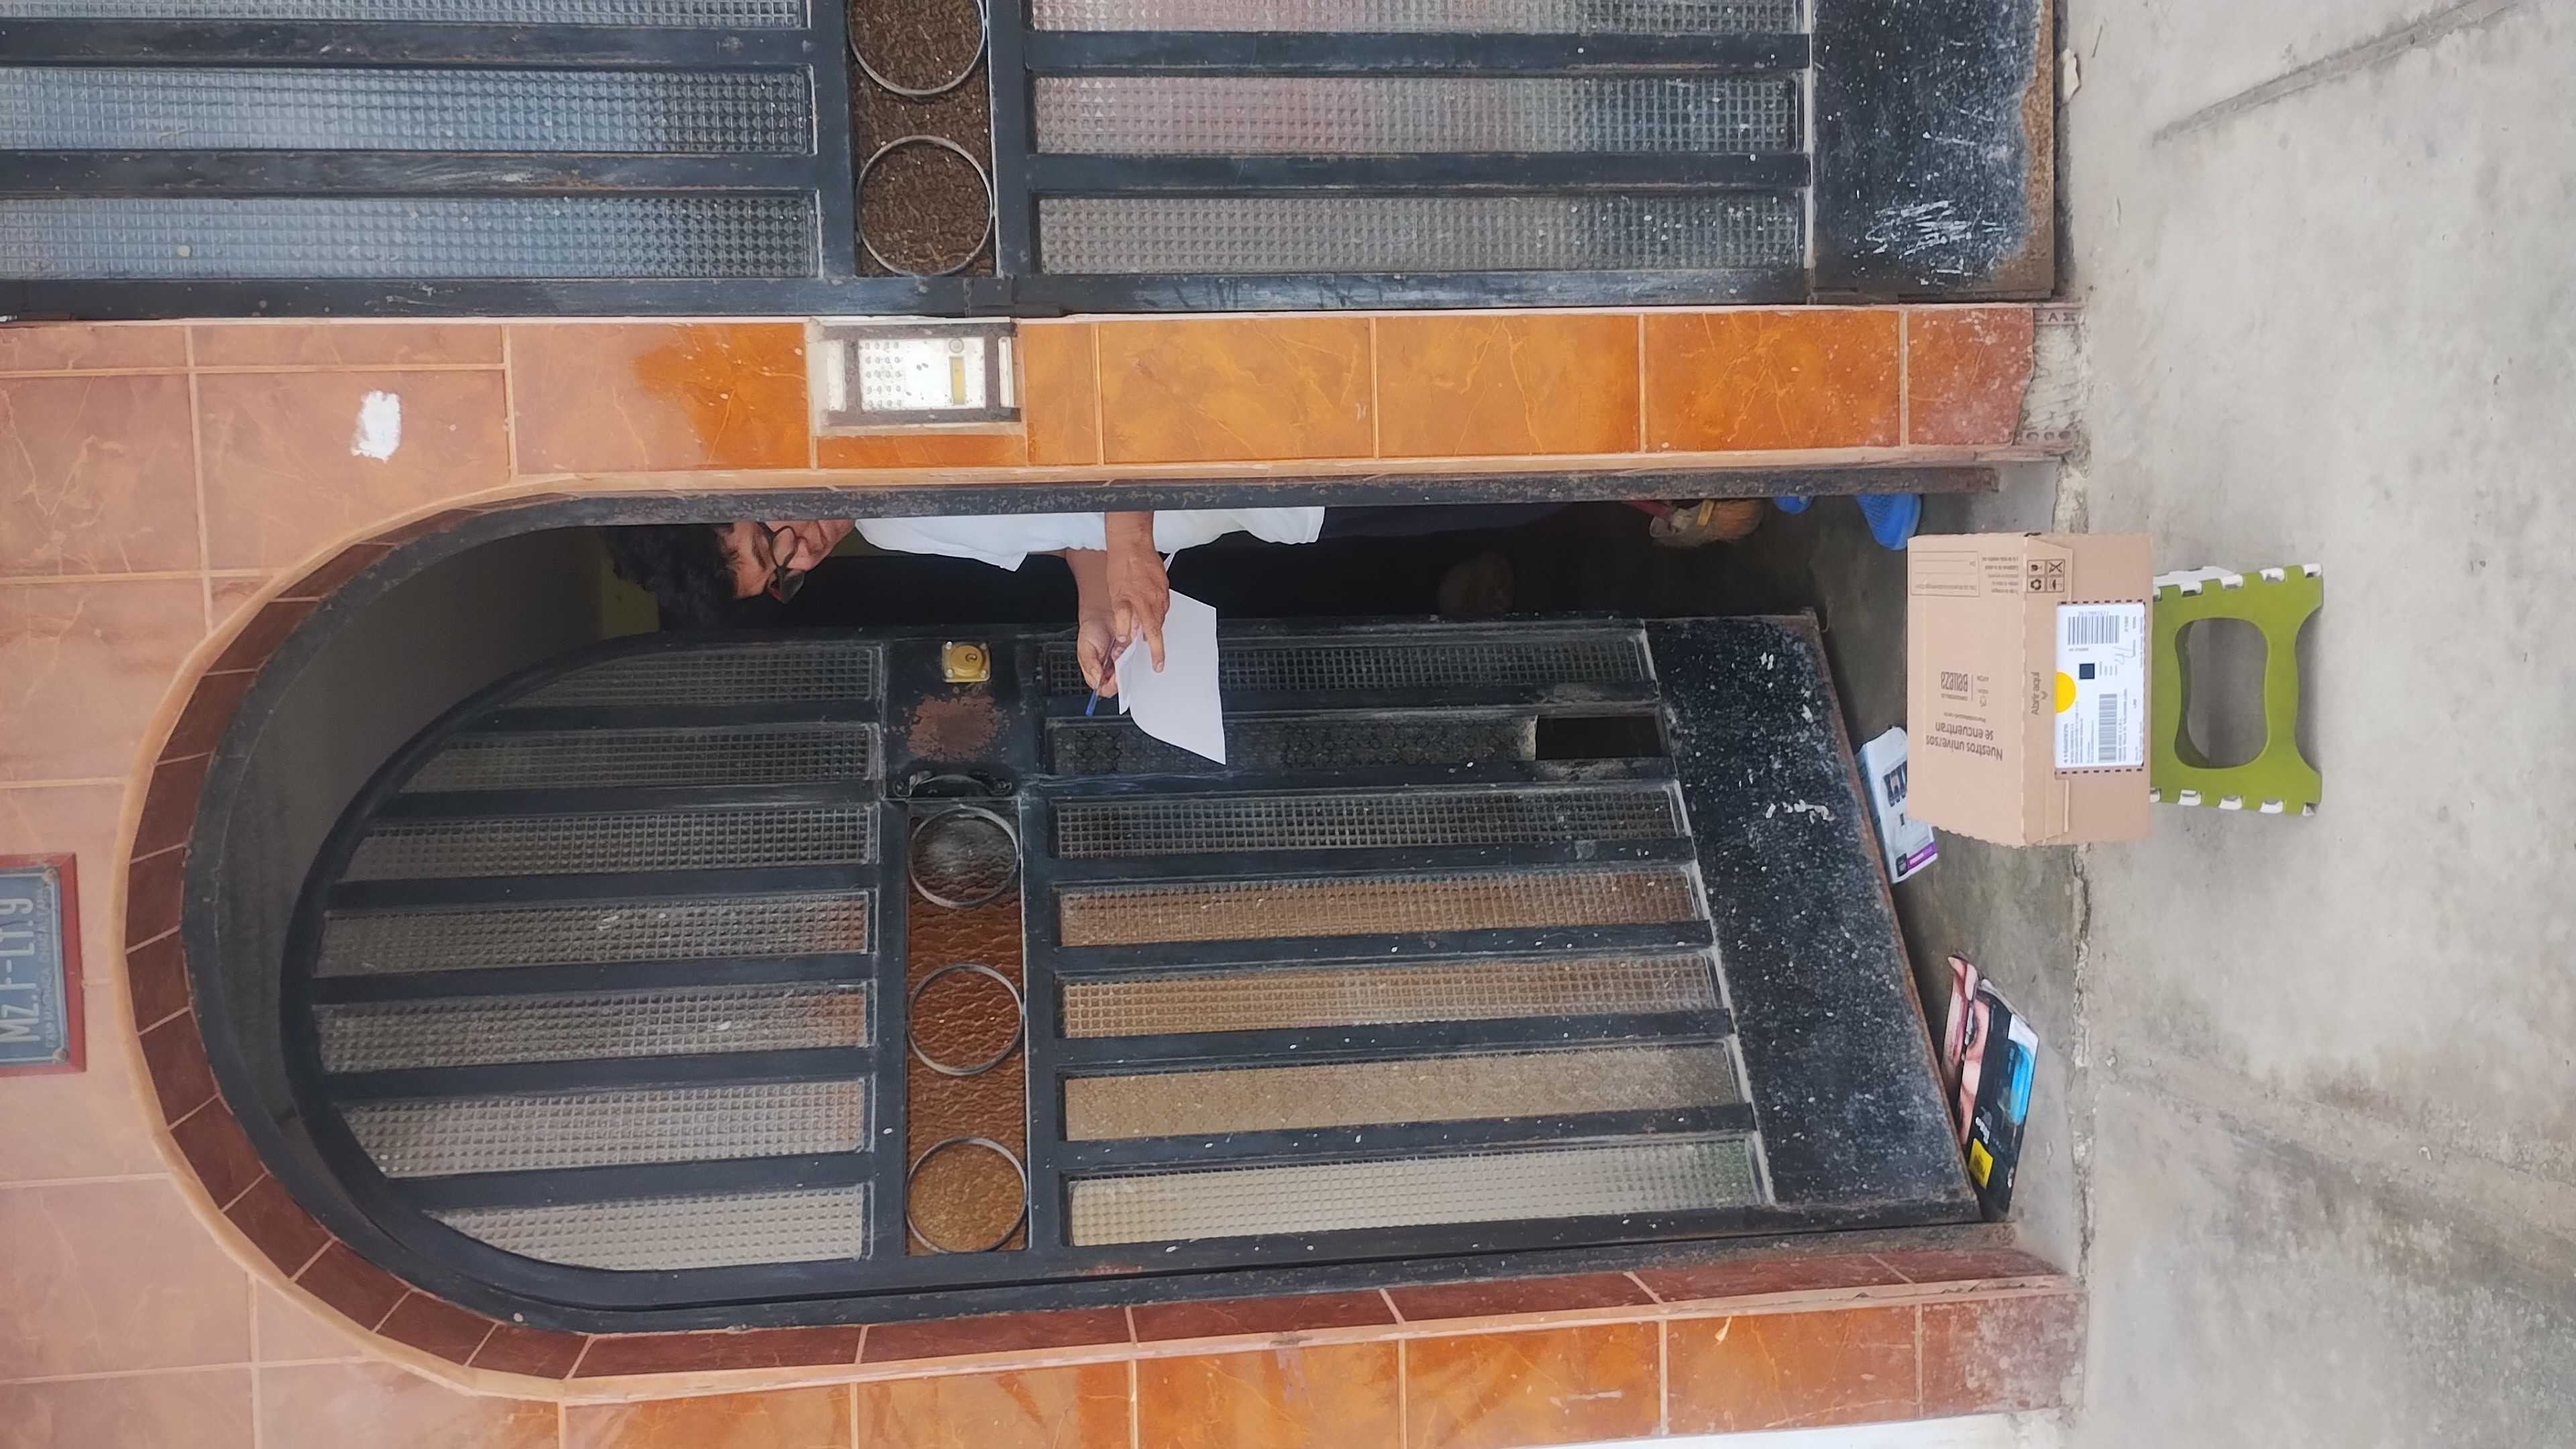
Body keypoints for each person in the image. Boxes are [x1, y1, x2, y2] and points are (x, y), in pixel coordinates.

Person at [602, 508, 1322, 698]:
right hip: (1287, 516)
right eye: (782, 574)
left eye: (771, 539)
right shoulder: (887, 532)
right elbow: (1069, 534)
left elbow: (1087, 388)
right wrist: (1097, 608)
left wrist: (1131, 539)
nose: (804, 554)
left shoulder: (889, 397)